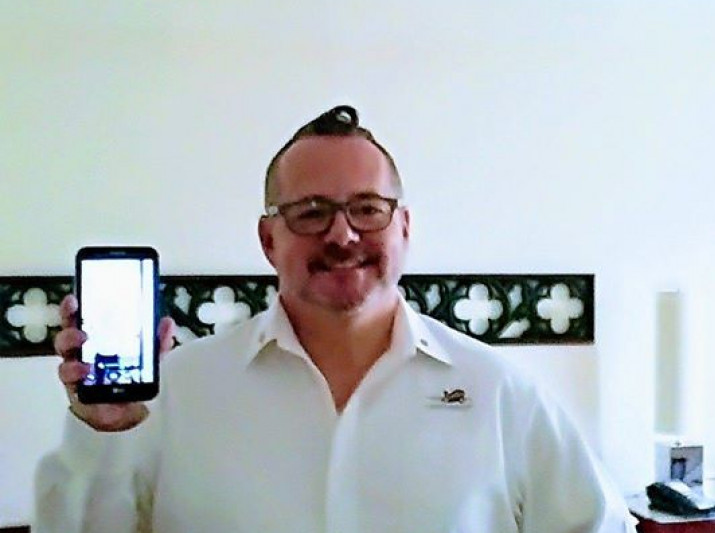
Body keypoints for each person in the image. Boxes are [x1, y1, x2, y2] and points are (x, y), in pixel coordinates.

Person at [35, 105, 636, 533]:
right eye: (310, 212)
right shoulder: (174, 393)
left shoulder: (501, 393)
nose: (342, 235)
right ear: (269, 239)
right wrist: (100, 437)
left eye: (367, 209)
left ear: (404, 228)